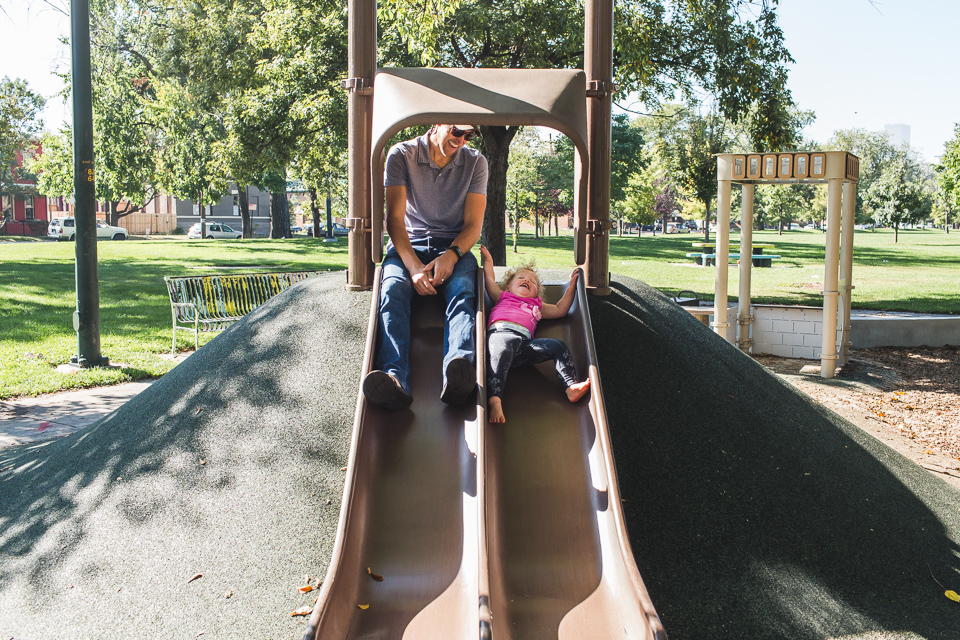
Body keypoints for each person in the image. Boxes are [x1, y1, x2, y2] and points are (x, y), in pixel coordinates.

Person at [363, 124, 488, 410]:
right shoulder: (402, 154)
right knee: (392, 288)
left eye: (470, 135)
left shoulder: (476, 162)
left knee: (465, 290)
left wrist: (452, 254)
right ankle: (394, 377)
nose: (462, 140)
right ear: (437, 123)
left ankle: (459, 370)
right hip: (410, 244)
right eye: (457, 132)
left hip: (453, 246)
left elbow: (473, 226)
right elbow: (394, 220)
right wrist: (414, 266)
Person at [479, 246, 591, 423]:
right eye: (521, 278)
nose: (527, 281)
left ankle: (570, 387)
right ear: (508, 287)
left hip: (522, 347)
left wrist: (571, 288)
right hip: (499, 337)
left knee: (558, 346)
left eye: (533, 282)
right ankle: (495, 398)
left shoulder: (537, 306)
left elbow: (560, 309)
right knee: (503, 347)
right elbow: (490, 280)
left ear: (536, 293)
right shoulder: (502, 296)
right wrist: (488, 261)